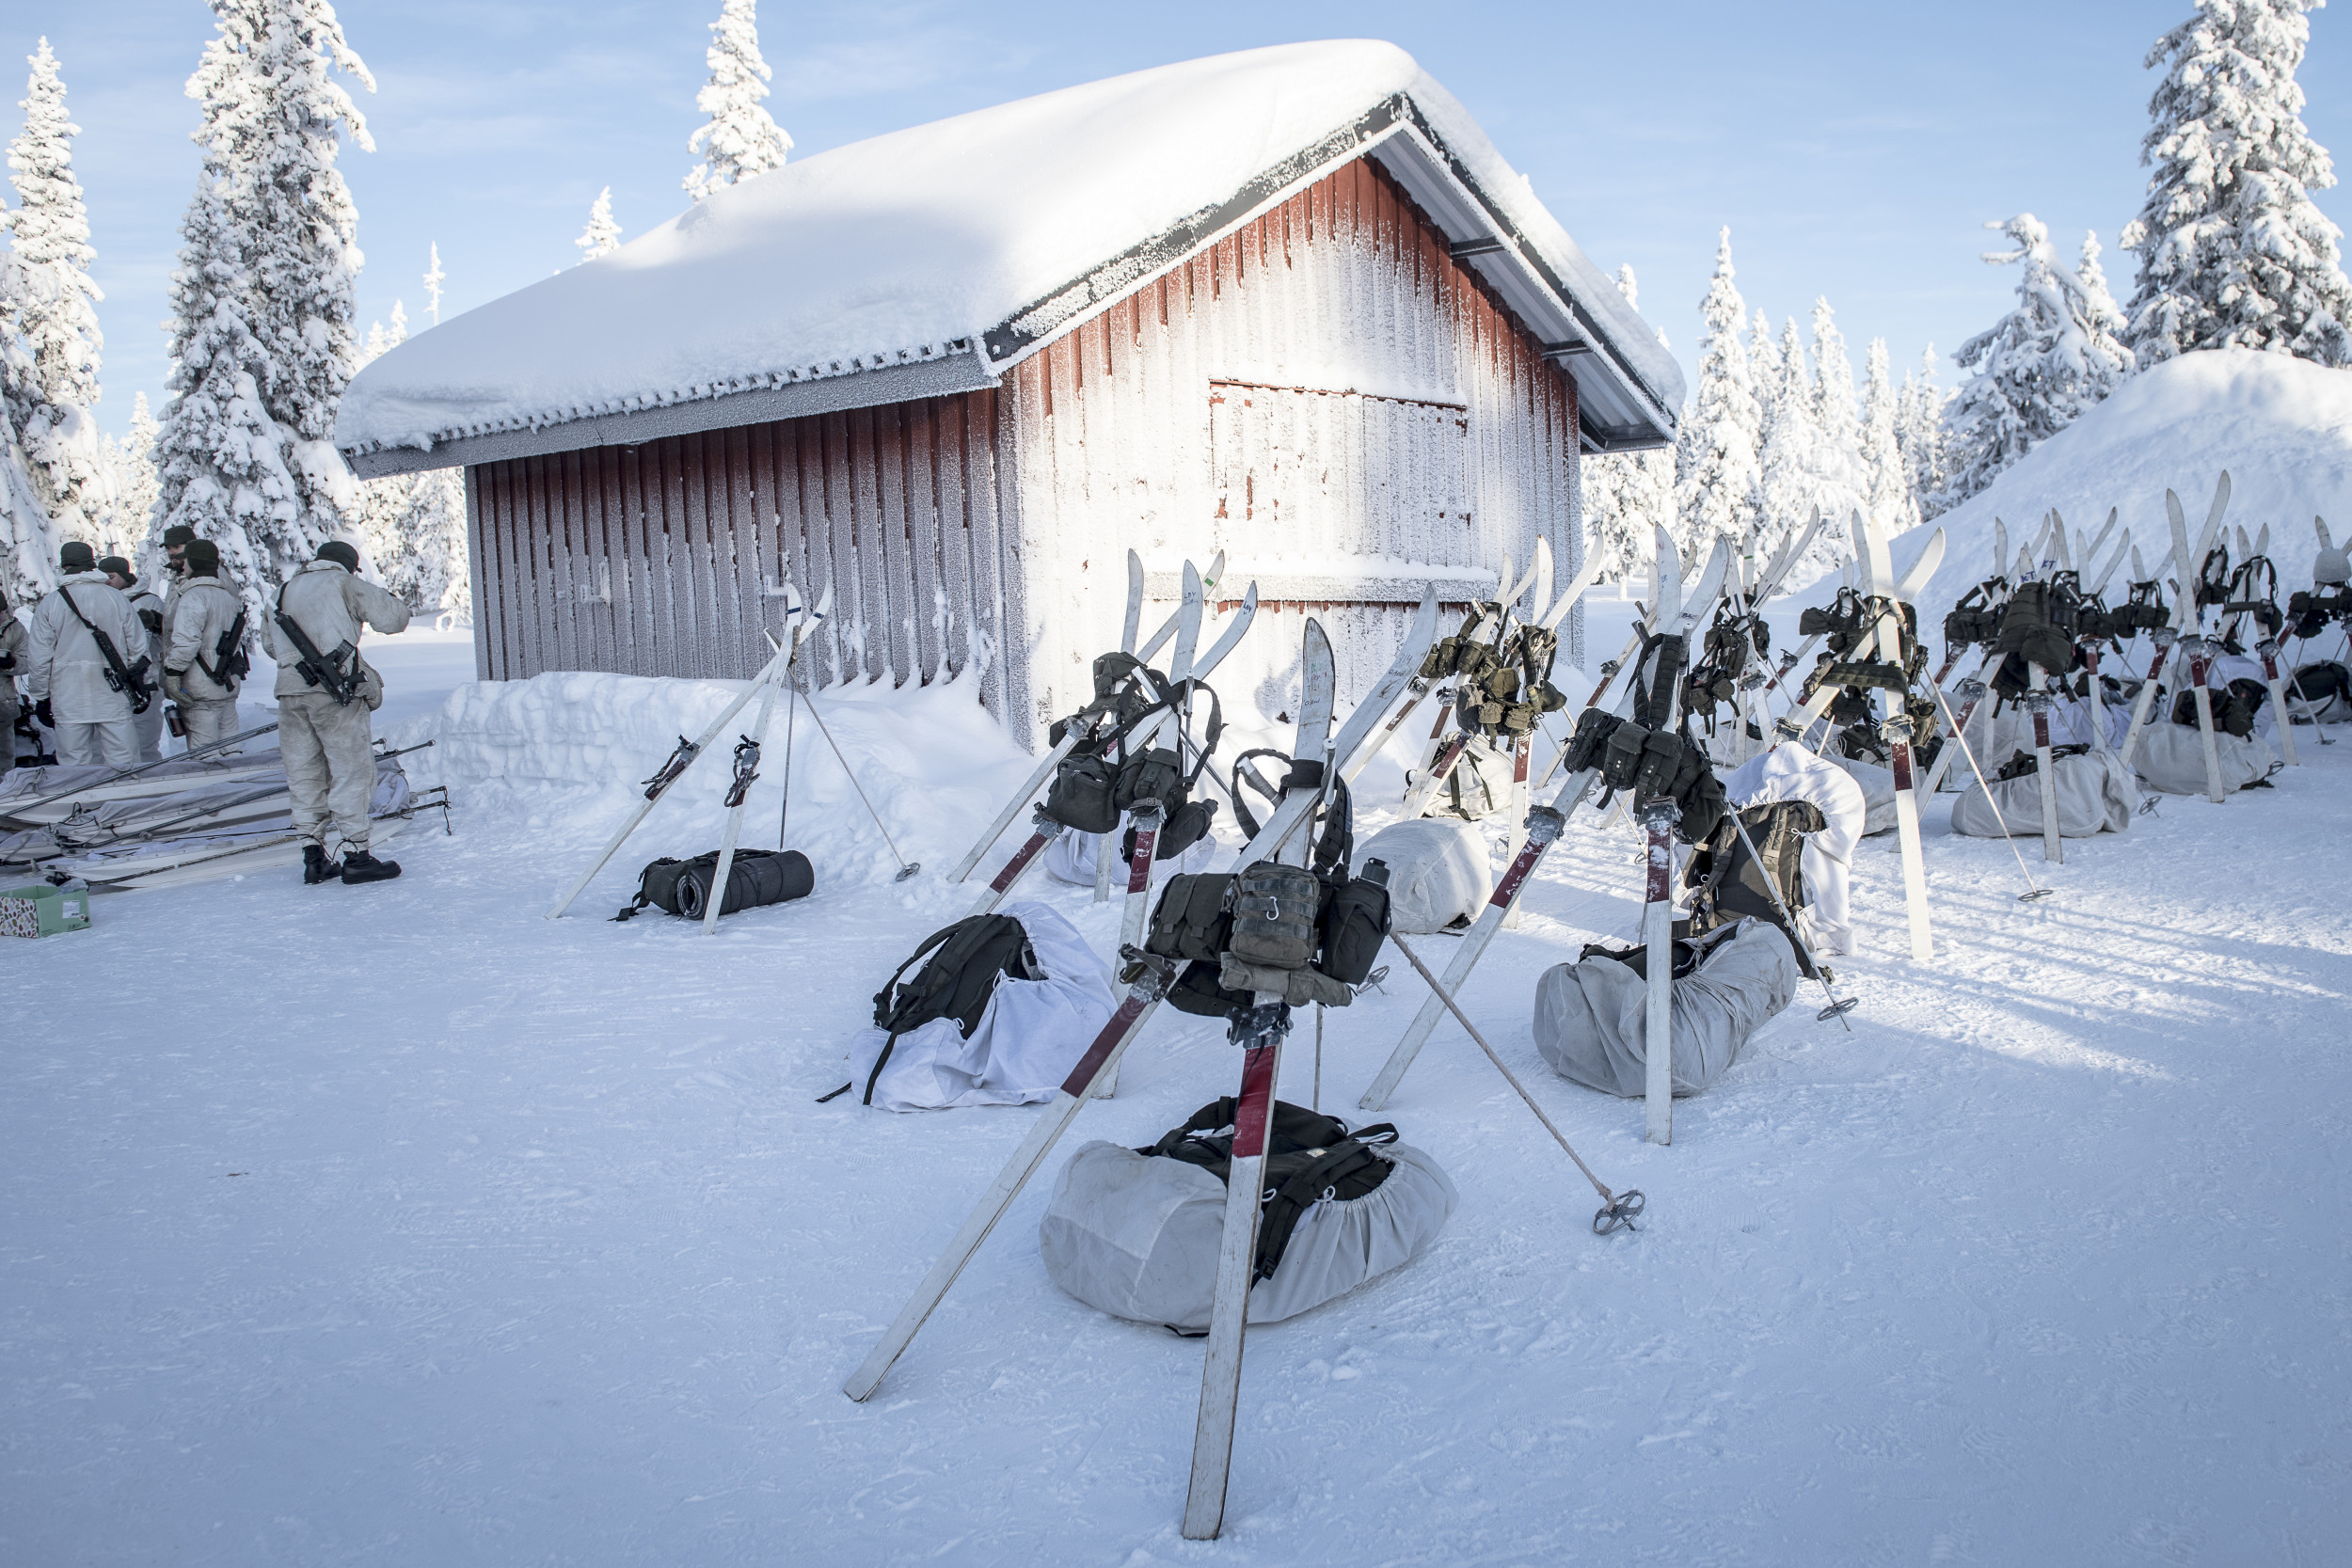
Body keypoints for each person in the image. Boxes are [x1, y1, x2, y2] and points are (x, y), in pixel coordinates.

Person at [260, 539, 410, 884]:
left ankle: (314, 858)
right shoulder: (343, 582)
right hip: (335, 693)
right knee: (351, 771)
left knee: (304, 775)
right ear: (348, 565)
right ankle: (356, 856)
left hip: (290, 695)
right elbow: (394, 619)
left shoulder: (281, 591)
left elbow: (270, 645)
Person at [26, 540, 150, 769]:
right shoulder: (117, 598)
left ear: (64, 565)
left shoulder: (51, 604)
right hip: (114, 691)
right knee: (124, 761)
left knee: (74, 765)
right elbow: (139, 648)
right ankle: (128, 802)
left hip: (68, 696)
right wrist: (138, 681)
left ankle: (81, 805)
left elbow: (39, 658)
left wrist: (41, 696)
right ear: (92, 564)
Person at [161, 539, 248, 755]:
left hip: (200, 686)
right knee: (231, 746)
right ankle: (239, 786)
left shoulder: (193, 597)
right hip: (227, 683)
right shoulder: (228, 597)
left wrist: (173, 673)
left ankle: (213, 789)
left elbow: (187, 642)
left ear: (191, 563)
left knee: (205, 753)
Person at [103, 555, 169, 765]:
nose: (107, 581)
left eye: (111, 576)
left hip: (146, 680)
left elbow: (166, 640)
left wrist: (154, 625)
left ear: (124, 576)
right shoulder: (105, 600)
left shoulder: (149, 601)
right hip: (117, 684)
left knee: (145, 741)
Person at [0, 591, 25, 768]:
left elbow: (29, 661)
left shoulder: (14, 628)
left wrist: (11, 663)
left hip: (3, 705)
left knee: (5, 760)